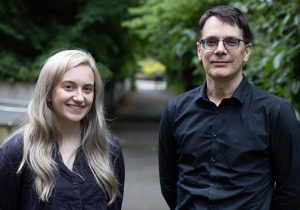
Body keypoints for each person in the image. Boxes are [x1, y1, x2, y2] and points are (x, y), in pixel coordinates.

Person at [159, 5, 300, 210]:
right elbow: (169, 183)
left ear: (247, 52)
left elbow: (292, 189)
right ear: (200, 50)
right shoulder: (174, 111)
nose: (220, 49)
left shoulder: (276, 113)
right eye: (211, 41)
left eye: (232, 42)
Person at [0, 49, 125, 210]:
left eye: (87, 89)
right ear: (48, 92)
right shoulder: (17, 151)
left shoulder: (109, 148)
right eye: (69, 87)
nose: (80, 97)